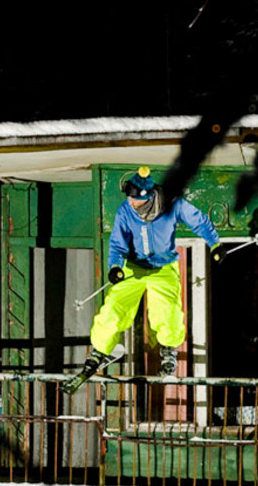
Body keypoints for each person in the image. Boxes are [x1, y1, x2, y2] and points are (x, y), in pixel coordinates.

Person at [72, 166, 225, 387]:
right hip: (134, 268)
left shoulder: (173, 205)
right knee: (114, 309)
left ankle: (169, 350)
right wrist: (115, 266)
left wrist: (215, 245)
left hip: (163, 267)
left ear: (147, 198)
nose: (130, 203)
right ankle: (99, 350)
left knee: (167, 310)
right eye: (129, 199)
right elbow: (117, 244)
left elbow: (198, 221)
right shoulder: (125, 212)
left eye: (135, 200)